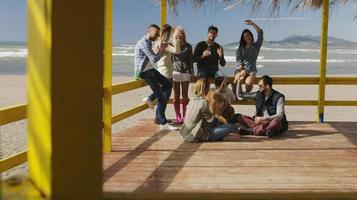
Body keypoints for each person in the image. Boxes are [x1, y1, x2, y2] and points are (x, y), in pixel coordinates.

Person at [134, 24, 178, 131]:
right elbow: (154, 59)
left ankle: (149, 98)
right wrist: (162, 51)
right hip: (144, 72)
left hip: (150, 70)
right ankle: (163, 123)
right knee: (161, 97)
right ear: (149, 31)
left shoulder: (149, 42)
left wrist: (160, 51)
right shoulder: (143, 43)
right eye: (156, 33)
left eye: (158, 34)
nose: (157, 36)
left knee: (168, 85)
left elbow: (152, 57)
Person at [179, 78, 240, 142]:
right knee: (230, 126)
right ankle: (221, 136)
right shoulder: (203, 102)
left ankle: (221, 135)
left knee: (219, 123)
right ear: (206, 89)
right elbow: (211, 120)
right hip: (197, 134)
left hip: (185, 132)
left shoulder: (192, 99)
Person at [233, 19, 263, 94]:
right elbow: (239, 60)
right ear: (243, 39)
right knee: (236, 81)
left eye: (248, 35)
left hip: (251, 70)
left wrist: (253, 24)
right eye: (245, 36)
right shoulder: (240, 49)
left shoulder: (256, 46)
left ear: (251, 36)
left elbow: (260, 32)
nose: (247, 37)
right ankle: (234, 96)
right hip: (241, 70)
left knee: (248, 84)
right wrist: (242, 69)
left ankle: (245, 96)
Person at [172, 26, 193, 124]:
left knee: (185, 95)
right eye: (178, 33)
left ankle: (185, 115)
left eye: (181, 33)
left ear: (184, 34)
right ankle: (178, 115)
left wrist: (191, 72)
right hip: (175, 72)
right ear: (175, 34)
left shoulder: (188, 46)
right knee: (176, 95)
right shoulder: (172, 45)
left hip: (186, 73)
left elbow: (190, 60)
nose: (179, 34)